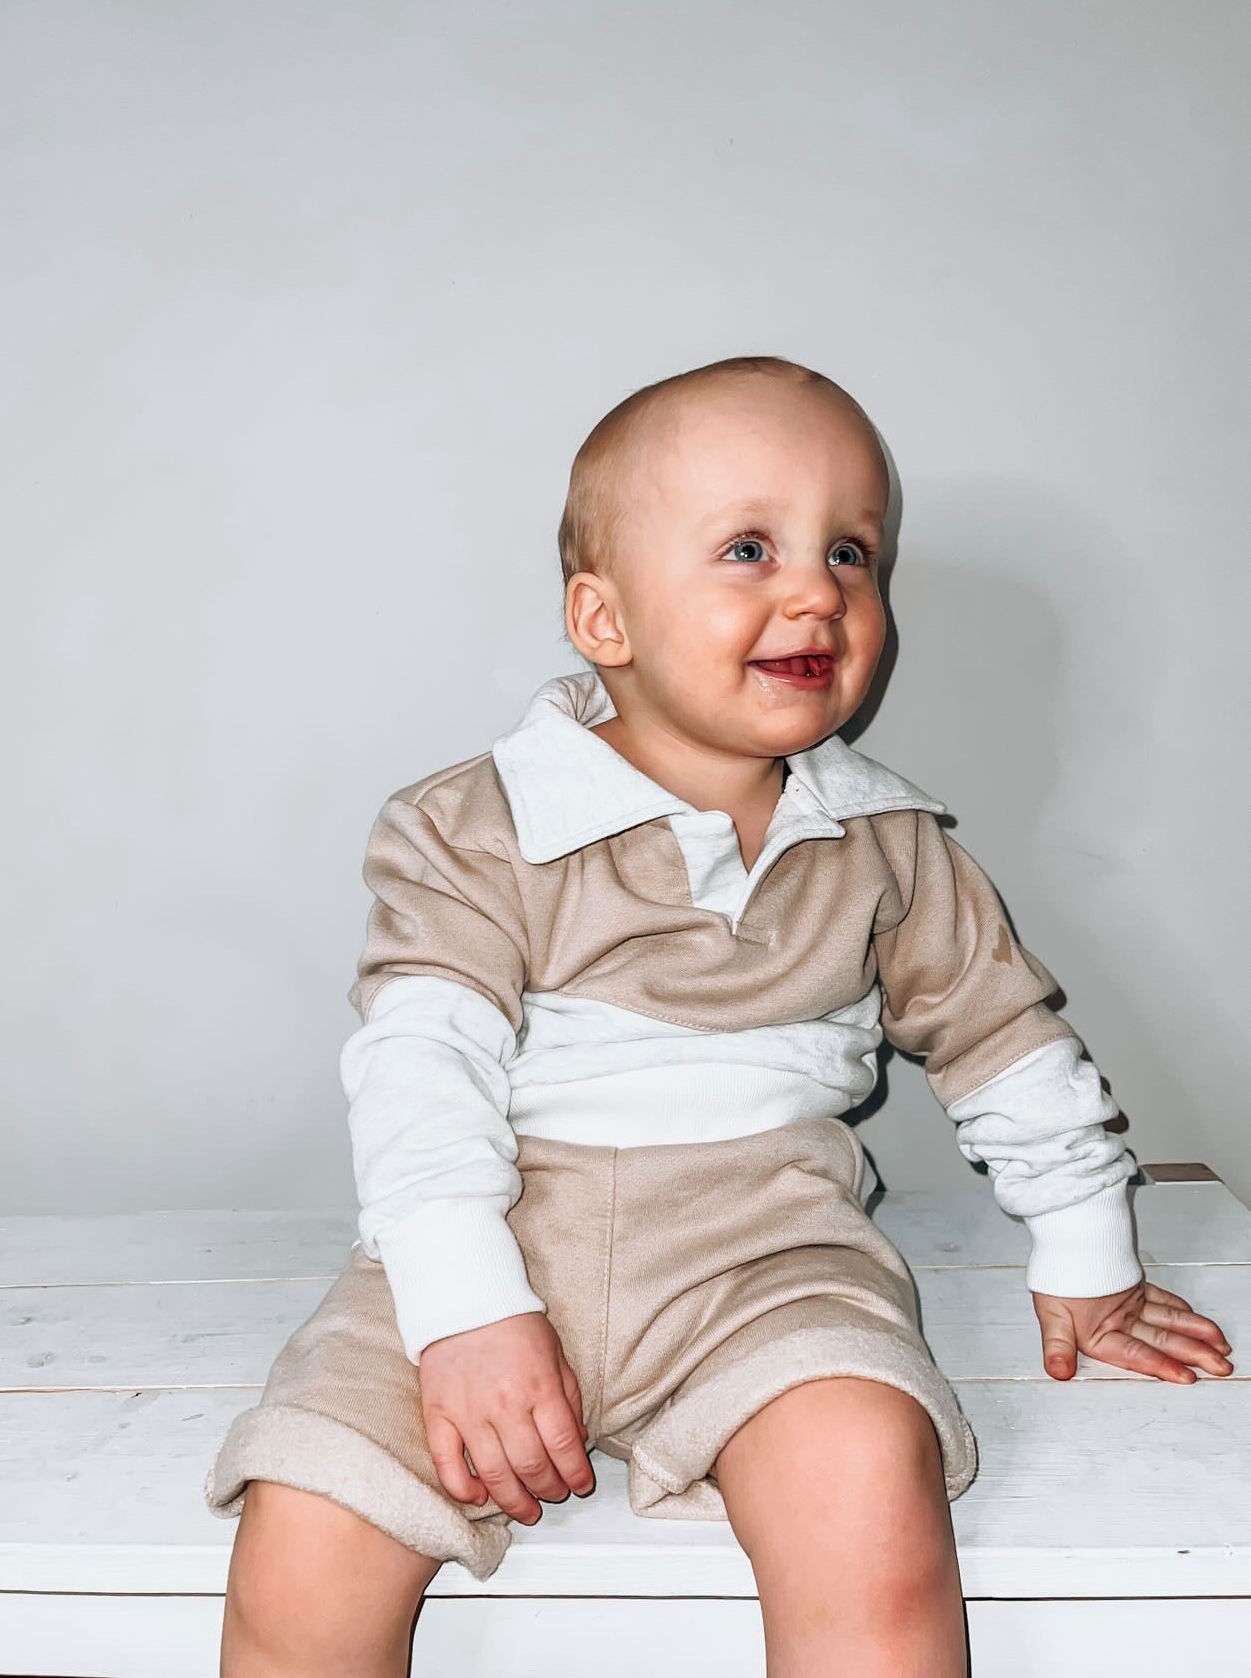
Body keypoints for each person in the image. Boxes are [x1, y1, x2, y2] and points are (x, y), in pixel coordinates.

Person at [205, 355, 1234, 1677]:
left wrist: (1088, 1255)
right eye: (750, 548)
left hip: (773, 1258)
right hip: (500, 1229)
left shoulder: (887, 843)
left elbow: (1004, 1039)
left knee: (869, 1475)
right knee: (304, 1537)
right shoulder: (475, 824)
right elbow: (421, 1064)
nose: (819, 589)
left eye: (854, 553)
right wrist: (465, 1307)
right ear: (604, 617)